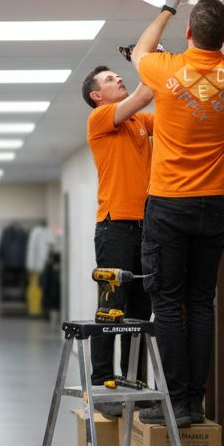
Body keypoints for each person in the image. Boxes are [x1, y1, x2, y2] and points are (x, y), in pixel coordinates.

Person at [131, 0, 224, 427]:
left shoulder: (167, 70)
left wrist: (167, 6)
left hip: (169, 204)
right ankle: (192, 403)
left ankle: (174, 403)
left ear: (187, 35)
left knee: (167, 303)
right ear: (223, 38)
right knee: (202, 303)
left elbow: (143, 50)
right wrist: (212, 0)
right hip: (214, 204)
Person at [82, 62, 155, 417]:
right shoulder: (100, 118)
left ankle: (135, 384)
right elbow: (145, 93)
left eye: (118, 75)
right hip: (114, 227)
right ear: (97, 96)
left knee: (141, 311)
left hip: (147, 226)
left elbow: (168, 113)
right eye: (110, 79)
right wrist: (153, 63)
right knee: (113, 309)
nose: (118, 79)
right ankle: (103, 382)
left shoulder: (139, 123)